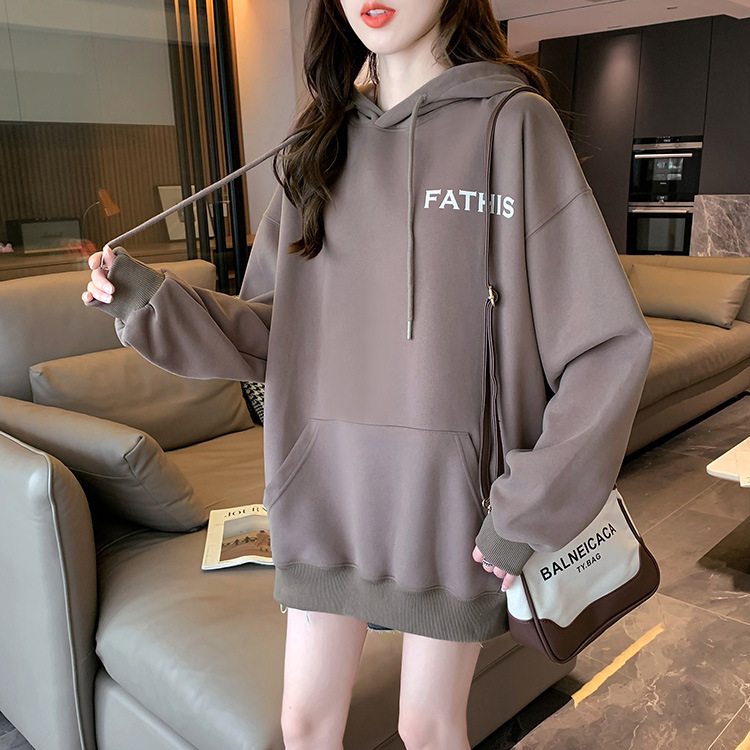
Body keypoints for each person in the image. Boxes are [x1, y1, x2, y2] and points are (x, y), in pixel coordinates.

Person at [82, 0, 654, 747]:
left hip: (446, 509)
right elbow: (274, 335)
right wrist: (147, 300)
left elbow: (607, 345)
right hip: (325, 495)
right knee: (304, 725)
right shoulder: (314, 142)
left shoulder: (512, 125)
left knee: (427, 726)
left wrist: (526, 509)